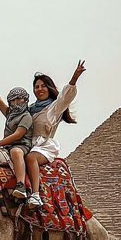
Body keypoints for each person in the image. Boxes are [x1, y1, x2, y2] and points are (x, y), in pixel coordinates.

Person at [25, 60, 86, 208]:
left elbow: (65, 96)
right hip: (27, 143)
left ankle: (35, 196)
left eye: (43, 86)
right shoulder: (29, 110)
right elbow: (8, 113)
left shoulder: (54, 108)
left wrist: (75, 77)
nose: (39, 89)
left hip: (43, 146)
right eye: (36, 87)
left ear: (49, 88)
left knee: (30, 158)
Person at [0, 70, 33, 200]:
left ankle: (21, 186)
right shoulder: (10, 114)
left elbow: (18, 135)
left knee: (16, 152)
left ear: (25, 100)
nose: (16, 102)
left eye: (19, 99)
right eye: (13, 100)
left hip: (21, 146)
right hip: (6, 147)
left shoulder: (26, 116)